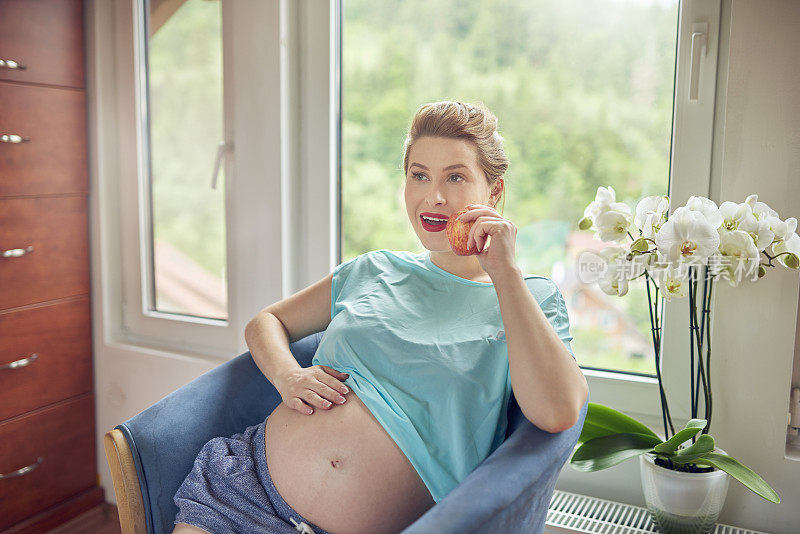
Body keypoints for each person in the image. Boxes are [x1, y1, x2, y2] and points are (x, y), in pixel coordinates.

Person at [172, 101, 588, 534]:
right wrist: (287, 377)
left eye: (456, 177)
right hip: (243, 490)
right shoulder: (374, 269)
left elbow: (557, 413)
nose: (434, 196)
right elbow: (266, 322)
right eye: (419, 175)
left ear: (494, 192)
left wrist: (505, 274)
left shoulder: (526, 296)